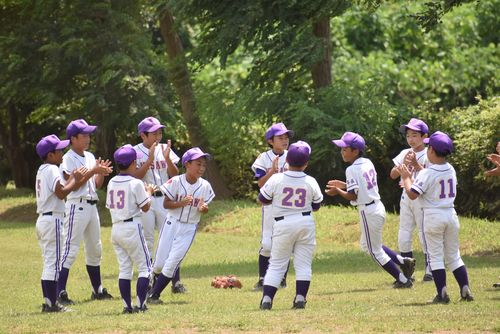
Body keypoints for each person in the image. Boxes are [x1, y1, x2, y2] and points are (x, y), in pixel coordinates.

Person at [326, 132, 415, 289]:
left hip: (368, 211)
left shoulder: (351, 169)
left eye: (345, 149)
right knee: (367, 245)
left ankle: (402, 279)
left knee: (374, 251)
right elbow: (363, 186)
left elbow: (352, 195)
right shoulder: (367, 162)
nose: (342, 152)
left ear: (355, 151)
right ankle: (403, 261)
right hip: (377, 206)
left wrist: (337, 191)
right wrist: (344, 185)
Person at [398, 131, 474, 303]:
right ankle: (465, 288)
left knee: (435, 257)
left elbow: (412, 194)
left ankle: (442, 294)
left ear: (430, 150)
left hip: (433, 217)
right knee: (454, 255)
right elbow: (432, 176)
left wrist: (407, 177)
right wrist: (418, 168)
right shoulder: (450, 169)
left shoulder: (427, 173)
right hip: (450, 215)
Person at [258, 141, 323, 310]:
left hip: (283, 223)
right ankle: (300, 298)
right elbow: (316, 206)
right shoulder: (311, 181)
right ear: (306, 163)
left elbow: (263, 199)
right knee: (303, 264)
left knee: (277, 263)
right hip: (305, 222)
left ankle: (267, 300)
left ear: (287, 160)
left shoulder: (276, 178)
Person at [57, 119, 114, 304]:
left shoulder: (89, 156)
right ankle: (60, 291)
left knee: (95, 249)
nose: (88, 138)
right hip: (76, 205)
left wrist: (100, 173)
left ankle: (97, 290)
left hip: (91, 206)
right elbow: (71, 186)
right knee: (70, 249)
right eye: (84, 135)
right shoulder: (67, 158)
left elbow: (95, 185)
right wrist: (92, 171)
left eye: (89, 135)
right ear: (73, 138)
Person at [148, 147, 215, 304]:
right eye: (198, 164)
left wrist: (204, 209)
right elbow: (166, 204)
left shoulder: (205, 186)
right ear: (187, 164)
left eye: (204, 165)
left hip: (189, 227)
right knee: (159, 264)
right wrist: (181, 203)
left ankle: (154, 295)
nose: (201, 168)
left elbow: (204, 207)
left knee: (172, 262)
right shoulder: (176, 181)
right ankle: (149, 288)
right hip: (172, 223)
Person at [131, 116, 185, 293]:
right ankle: (147, 280)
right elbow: (134, 176)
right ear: (143, 135)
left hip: (164, 198)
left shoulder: (164, 149)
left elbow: (174, 174)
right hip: (145, 199)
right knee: (147, 240)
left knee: (170, 238)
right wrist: (149, 160)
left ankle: (175, 282)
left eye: (160, 132)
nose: (158, 136)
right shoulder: (134, 152)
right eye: (154, 133)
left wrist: (168, 158)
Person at [35, 135, 85, 312]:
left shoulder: (42, 169)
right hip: (52, 219)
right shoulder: (52, 169)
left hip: (43, 219)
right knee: (53, 263)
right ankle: (52, 304)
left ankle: (49, 302)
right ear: (50, 155)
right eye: (59, 150)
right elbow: (62, 193)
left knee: (49, 261)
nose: (62, 153)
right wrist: (75, 179)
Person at [107, 145, 155, 313]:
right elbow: (146, 207)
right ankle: (141, 305)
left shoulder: (112, 182)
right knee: (145, 268)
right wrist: (148, 192)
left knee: (125, 268)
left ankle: (127, 306)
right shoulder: (136, 183)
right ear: (134, 163)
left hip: (116, 228)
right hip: (131, 227)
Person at [251, 122, 294, 291]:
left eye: (286, 137)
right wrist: (272, 171)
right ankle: (263, 279)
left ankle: (282, 279)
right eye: (280, 137)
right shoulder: (263, 158)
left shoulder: (293, 155)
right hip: (270, 205)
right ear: (270, 141)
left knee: (285, 243)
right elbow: (261, 183)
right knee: (267, 244)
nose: (285, 140)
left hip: (288, 206)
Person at [390, 118, 433, 281]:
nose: (411, 139)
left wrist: (416, 165)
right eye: (408, 135)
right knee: (404, 234)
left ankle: (430, 270)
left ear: (424, 136)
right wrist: (401, 167)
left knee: (424, 233)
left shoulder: (430, 153)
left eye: (415, 135)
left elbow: (430, 177)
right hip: (406, 197)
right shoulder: (404, 153)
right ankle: (407, 270)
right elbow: (392, 175)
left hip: (421, 199)